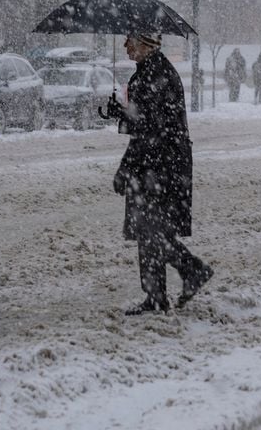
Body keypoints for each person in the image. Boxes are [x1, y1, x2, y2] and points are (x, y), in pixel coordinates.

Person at [106, 32, 212, 315]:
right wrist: (122, 112)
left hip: (161, 164)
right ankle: (156, 295)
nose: (125, 46)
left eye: (130, 40)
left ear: (146, 43)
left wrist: (126, 166)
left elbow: (150, 128)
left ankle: (191, 270)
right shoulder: (150, 71)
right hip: (156, 162)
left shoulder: (157, 74)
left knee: (152, 231)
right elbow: (146, 122)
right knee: (149, 231)